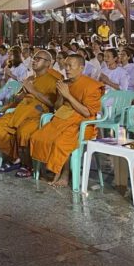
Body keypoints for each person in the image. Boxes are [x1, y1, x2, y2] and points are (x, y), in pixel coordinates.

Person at [29, 54, 103, 187]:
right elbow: (58, 107)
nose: (67, 69)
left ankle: (64, 174)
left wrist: (68, 95)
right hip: (62, 119)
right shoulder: (65, 83)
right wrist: (61, 96)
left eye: (70, 66)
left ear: (81, 68)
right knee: (38, 137)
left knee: (60, 142)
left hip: (82, 123)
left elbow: (87, 112)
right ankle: (49, 169)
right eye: (66, 65)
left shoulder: (91, 85)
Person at [0, 49, 62, 178]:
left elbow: (53, 104)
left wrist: (33, 91)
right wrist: (20, 95)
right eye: (34, 58)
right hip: (20, 110)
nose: (34, 61)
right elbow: (18, 97)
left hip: (37, 113)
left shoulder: (54, 80)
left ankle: (27, 165)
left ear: (48, 63)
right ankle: (15, 158)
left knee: (24, 132)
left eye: (38, 59)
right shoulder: (30, 78)